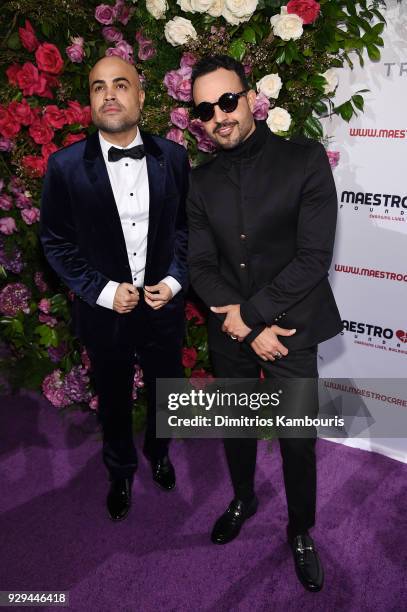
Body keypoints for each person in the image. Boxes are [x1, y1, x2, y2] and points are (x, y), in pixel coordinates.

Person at [187, 55, 342, 592]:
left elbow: (312, 258)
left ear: (250, 96)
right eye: (205, 109)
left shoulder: (304, 160)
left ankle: (300, 530)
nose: (219, 116)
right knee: (235, 425)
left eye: (227, 101)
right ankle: (244, 497)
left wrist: (252, 319)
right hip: (232, 333)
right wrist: (248, 329)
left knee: (297, 440)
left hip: (290, 332)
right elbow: (201, 266)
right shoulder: (200, 182)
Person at [40, 56, 189, 522]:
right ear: (89, 101)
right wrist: (102, 291)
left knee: (167, 391)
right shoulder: (64, 166)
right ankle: (120, 469)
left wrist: (173, 280)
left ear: (141, 96)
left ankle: (160, 454)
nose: (109, 94)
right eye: (98, 86)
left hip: (163, 307)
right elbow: (56, 243)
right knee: (114, 396)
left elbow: (187, 230)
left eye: (120, 84)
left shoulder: (174, 157)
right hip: (104, 312)